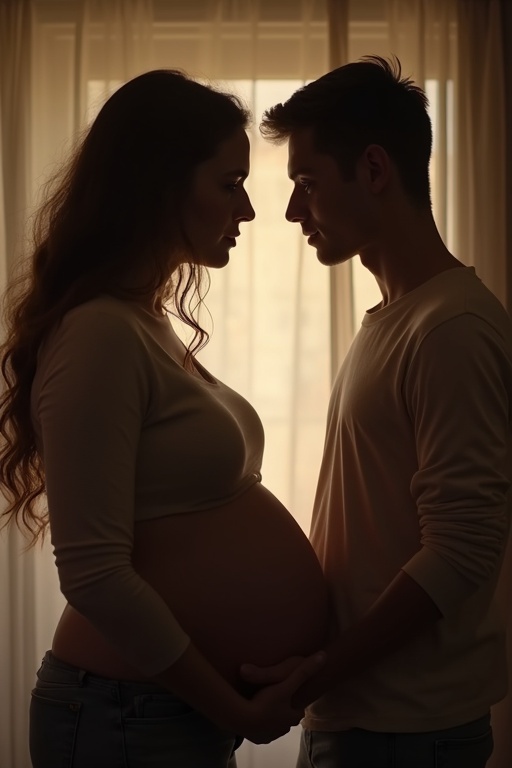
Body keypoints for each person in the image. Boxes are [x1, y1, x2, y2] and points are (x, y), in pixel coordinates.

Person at [0, 69, 330, 768]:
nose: (245, 212)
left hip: (152, 713)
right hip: (122, 717)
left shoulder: (140, 323)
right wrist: (232, 707)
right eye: (229, 184)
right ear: (159, 185)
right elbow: (92, 573)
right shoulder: (98, 334)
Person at [241, 55, 512, 768]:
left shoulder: (450, 328)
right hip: (363, 720)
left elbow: (461, 548)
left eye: (307, 184)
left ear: (372, 169)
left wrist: (313, 675)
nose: (295, 211)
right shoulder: (394, 321)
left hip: (405, 734)